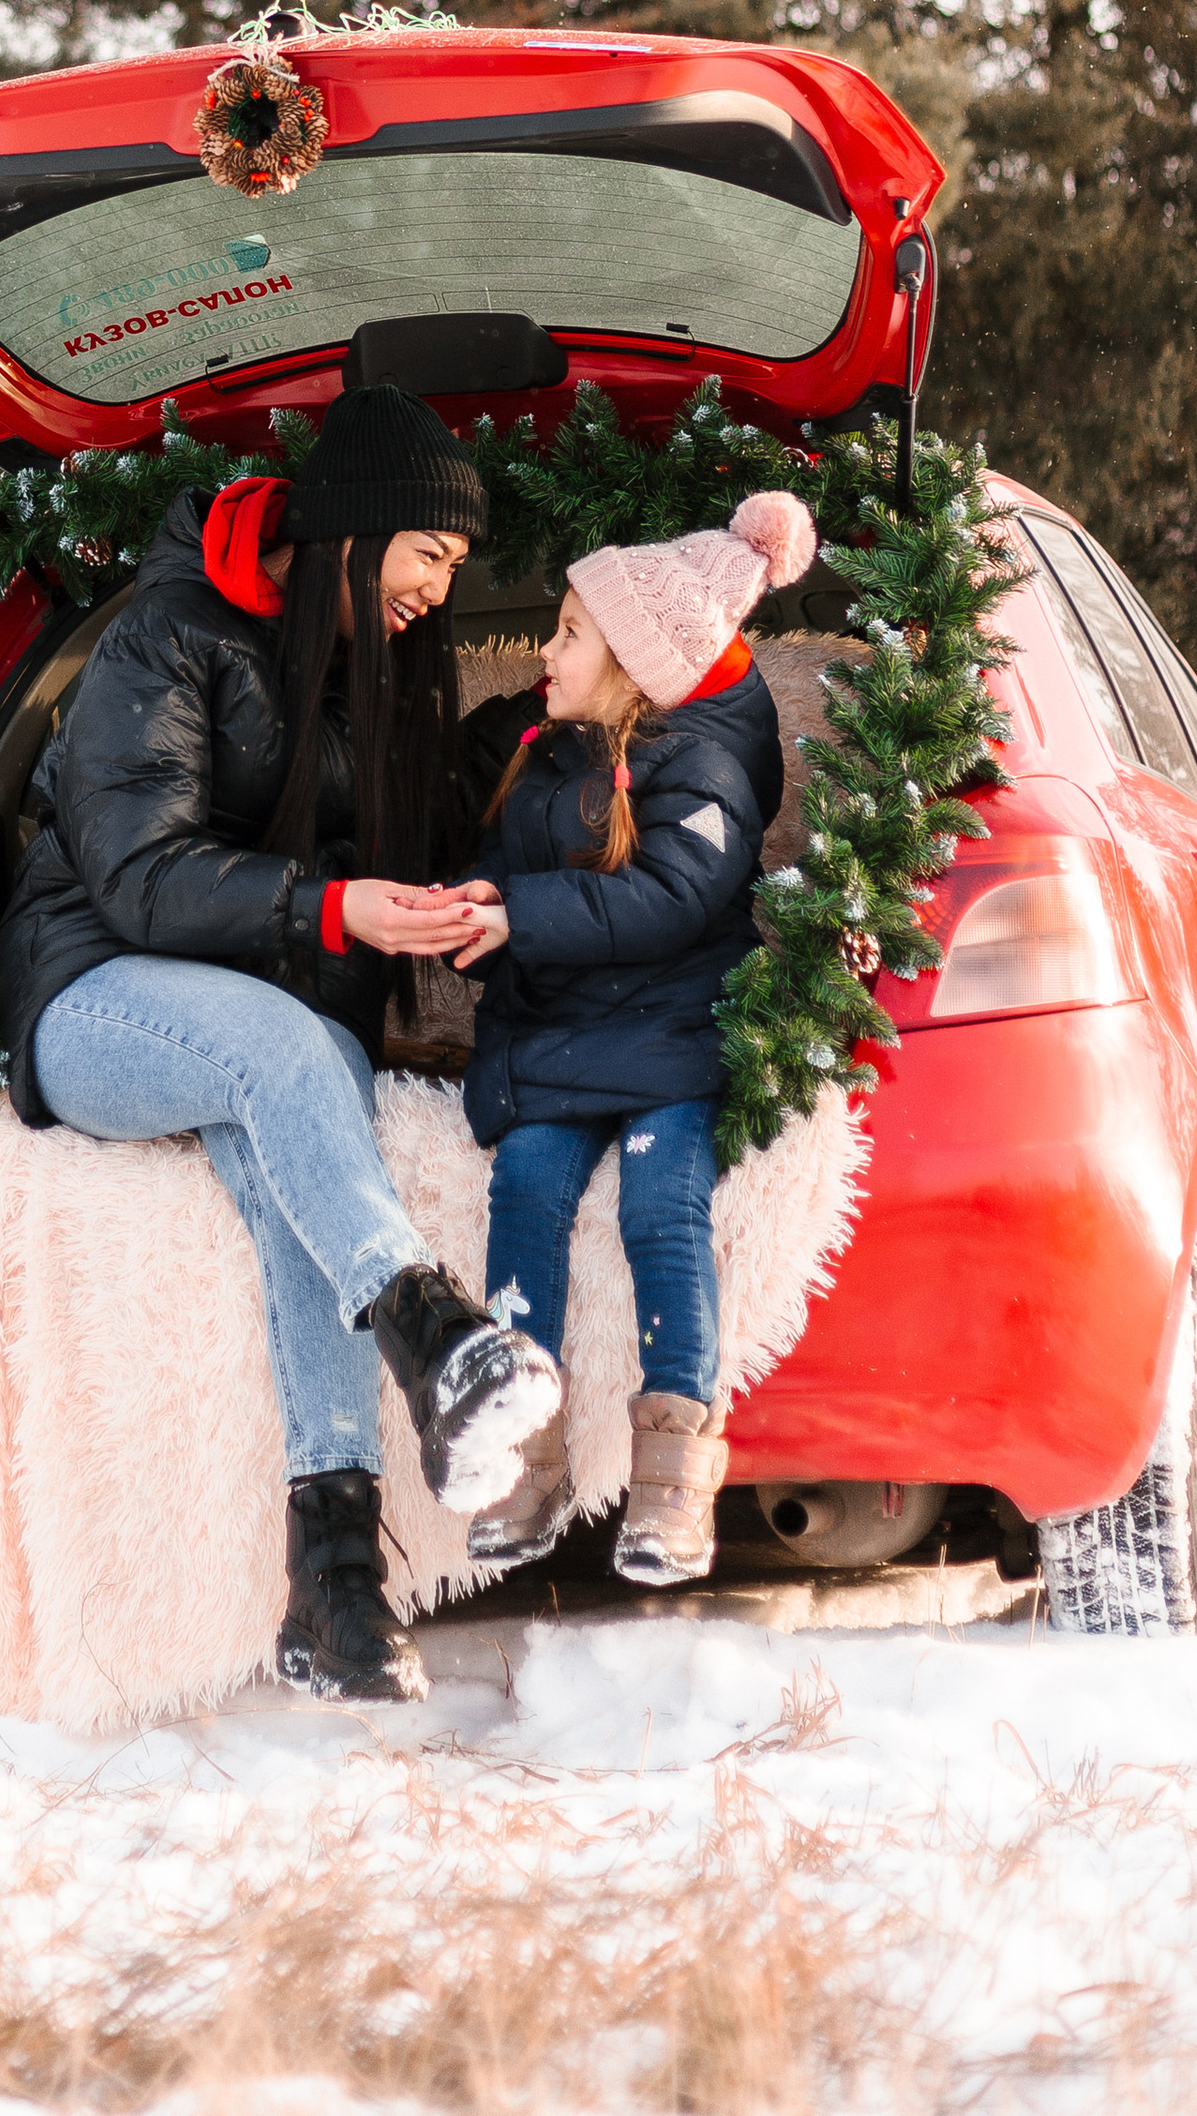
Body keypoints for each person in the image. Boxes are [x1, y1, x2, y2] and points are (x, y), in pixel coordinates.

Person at [0, 382, 564, 1702]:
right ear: (359, 528)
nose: (444, 583)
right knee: (283, 1050)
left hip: (261, 1030)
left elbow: (391, 862)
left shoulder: (369, 673)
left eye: (461, 563)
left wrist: (521, 734)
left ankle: (337, 1584)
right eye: (434, 551)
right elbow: (138, 874)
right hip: (96, 996)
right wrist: (326, 906)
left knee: (294, 1133)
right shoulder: (168, 636)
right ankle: (428, 1332)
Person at [448, 489, 816, 1586]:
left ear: (636, 668)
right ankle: (526, 1454)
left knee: (663, 1204)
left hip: (667, 1045)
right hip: (555, 1047)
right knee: (524, 1187)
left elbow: (667, 901)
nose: (542, 651)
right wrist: (470, 906)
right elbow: (516, 871)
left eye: (567, 634)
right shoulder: (549, 752)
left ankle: (670, 1474)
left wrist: (522, 916)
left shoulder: (698, 772)